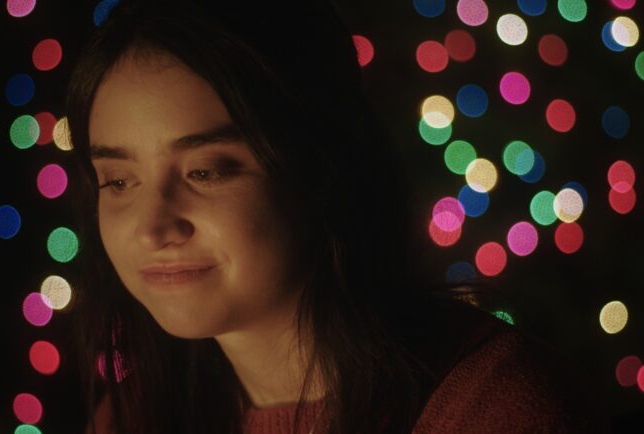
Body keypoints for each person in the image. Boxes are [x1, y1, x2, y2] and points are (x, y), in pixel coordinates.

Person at [64, 0, 609, 432]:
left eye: (205, 172)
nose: (152, 228)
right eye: (118, 181)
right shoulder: (137, 414)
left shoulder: (488, 409)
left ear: (319, 167)